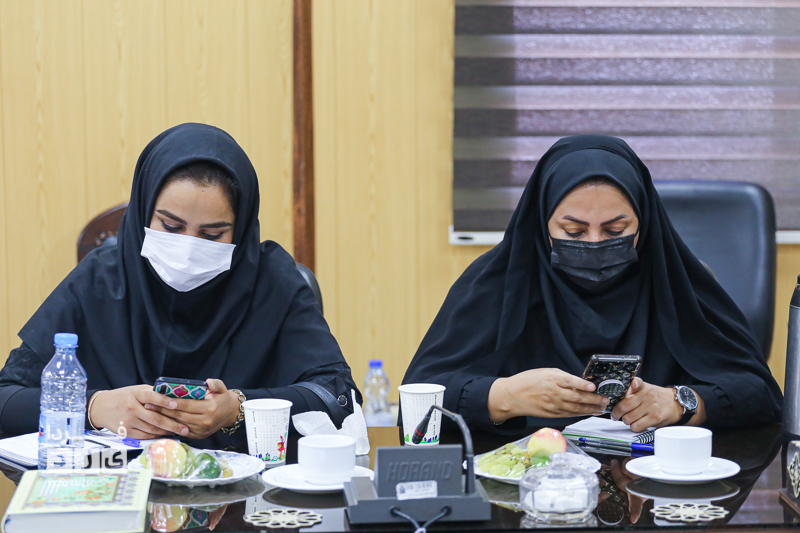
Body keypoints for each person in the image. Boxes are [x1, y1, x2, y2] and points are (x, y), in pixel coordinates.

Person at [0, 123, 360, 447]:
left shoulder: (273, 282)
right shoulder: (99, 280)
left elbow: (339, 397)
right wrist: (94, 406)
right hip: (120, 492)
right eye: (171, 227)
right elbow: (7, 397)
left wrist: (239, 408)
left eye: (212, 235)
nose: (187, 249)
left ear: (241, 229)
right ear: (144, 212)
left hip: (247, 495)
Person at [403, 135, 782, 434]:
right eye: (573, 231)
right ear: (541, 222)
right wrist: (504, 396)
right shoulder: (497, 283)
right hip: (526, 484)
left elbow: (762, 395)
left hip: (656, 484)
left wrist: (681, 402)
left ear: (644, 222)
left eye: (616, 230)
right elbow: (416, 405)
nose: (595, 243)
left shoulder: (676, 280)